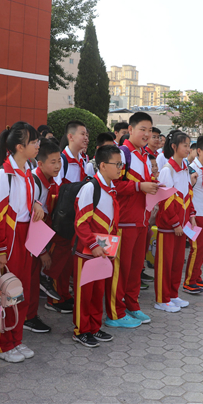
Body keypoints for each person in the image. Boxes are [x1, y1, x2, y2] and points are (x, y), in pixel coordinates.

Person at [0, 122, 44, 363]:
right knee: (6, 292)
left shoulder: (28, 173)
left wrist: (37, 205)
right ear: (20, 147)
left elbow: (27, 203)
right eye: (34, 142)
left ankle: (16, 339)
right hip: (9, 240)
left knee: (23, 292)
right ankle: (2, 344)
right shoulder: (4, 176)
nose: (37, 145)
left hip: (26, 237)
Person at [106, 112, 159, 328]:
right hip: (124, 221)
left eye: (150, 130)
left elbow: (143, 184)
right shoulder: (122, 153)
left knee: (135, 267)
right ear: (130, 130)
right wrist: (140, 186)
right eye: (142, 129)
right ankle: (115, 313)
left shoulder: (144, 155)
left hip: (141, 220)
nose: (147, 134)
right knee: (121, 269)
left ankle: (132, 305)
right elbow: (113, 185)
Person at [71, 144, 122, 346]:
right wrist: (93, 245)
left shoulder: (111, 188)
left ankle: (94, 327)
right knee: (84, 293)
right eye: (116, 164)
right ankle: (80, 330)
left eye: (121, 164)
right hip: (87, 251)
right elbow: (81, 222)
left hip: (103, 250)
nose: (120, 168)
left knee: (97, 291)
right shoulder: (90, 188)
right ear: (102, 165)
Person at [45, 121, 89, 314]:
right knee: (59, 255)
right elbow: (55, 190)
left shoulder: (83, 160)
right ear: (70, 136)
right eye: (82, 134)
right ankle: (53, 298)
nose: (86, 137)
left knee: (67, 258)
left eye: (87, 134)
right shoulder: (61, 160)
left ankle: (64, 294)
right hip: (62, 218)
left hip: (75, 216)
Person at [24, 139, 62, 335]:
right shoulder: (35, 183)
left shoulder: (47, 181)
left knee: (33, 281)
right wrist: (43, 252)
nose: (57, 166)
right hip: (30, 243)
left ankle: (30, 315)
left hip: (37, 240)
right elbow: (34, 222)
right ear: (40, 164)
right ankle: (27, 318)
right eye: (53, 162)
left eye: (59, 161)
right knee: (29, 282)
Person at [155, 131, 195, 313]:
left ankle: (173, 294)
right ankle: (162, 299)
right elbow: (165, 201)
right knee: (165, 263)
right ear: (174, 147)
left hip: (182, 226)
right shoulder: (167, 170)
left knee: (178, 262)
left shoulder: (185, 168)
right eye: (185, 145)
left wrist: (191, 215)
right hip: (169, 228)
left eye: (189, 145)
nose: (188, 149)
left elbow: (188, 194)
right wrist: (175, 223)